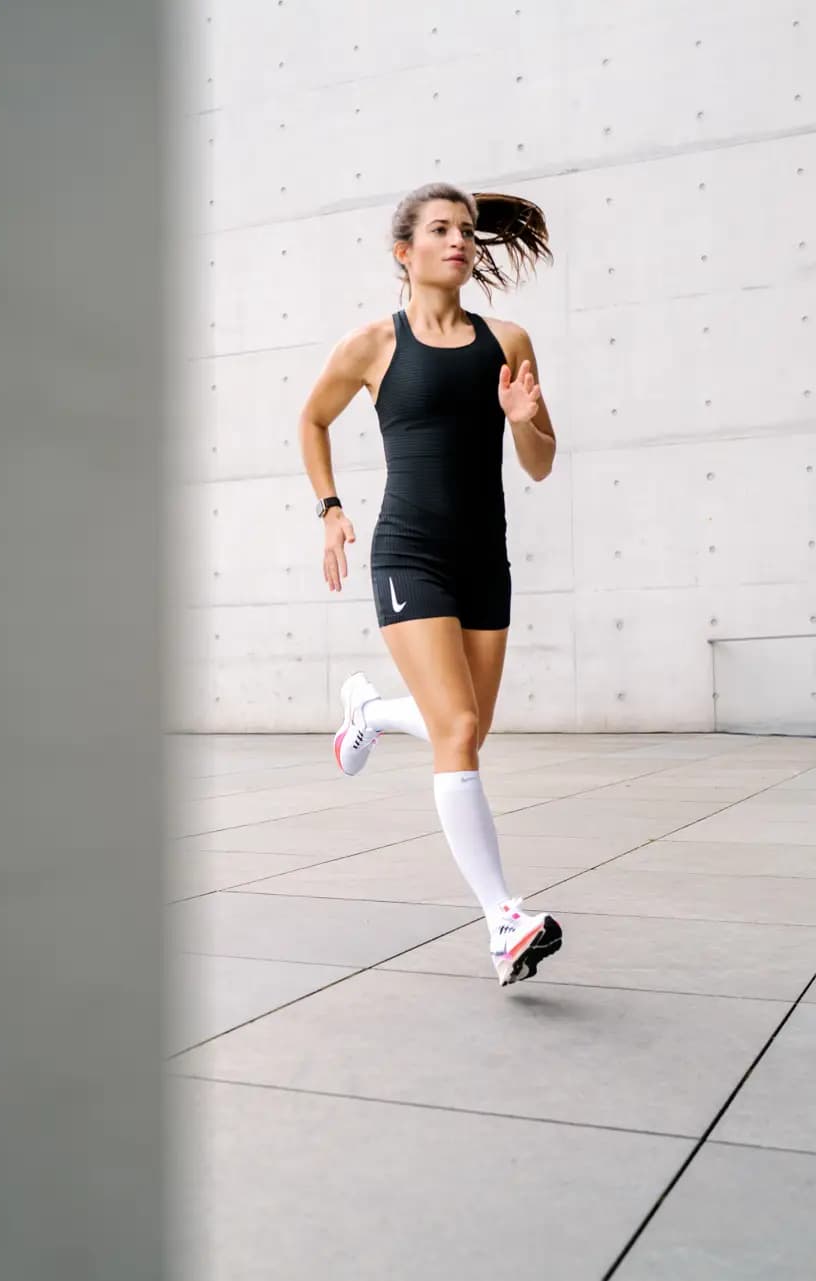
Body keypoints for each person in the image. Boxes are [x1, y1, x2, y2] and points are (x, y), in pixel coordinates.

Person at [295, 181, 563, 987]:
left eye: (468, 231)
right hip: (409, 554)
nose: (460, 241)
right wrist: (331, 509)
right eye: (441, 230)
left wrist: (523, 418)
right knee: (454, 726)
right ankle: (502, 918)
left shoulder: (508, 340)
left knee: (467, 729)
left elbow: (542, 464)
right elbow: (312, 420)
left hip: (487, 558)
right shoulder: (373, 346)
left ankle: (369, 711)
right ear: (404, 252)